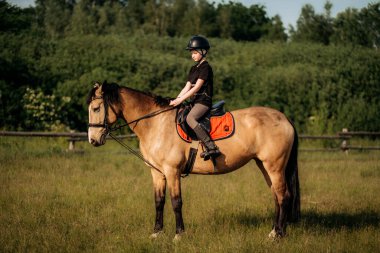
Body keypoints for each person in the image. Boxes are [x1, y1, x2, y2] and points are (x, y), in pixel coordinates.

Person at [170, 35, 221, 160]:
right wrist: (175, 100)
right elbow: (187, 87)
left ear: (203, 52)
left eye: (195, 52)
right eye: (191, 53)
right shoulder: (194, 69)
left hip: (203, 102)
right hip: (194, 101)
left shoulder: (206, 68)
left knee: (190, 118)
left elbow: (196, 88)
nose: (192, 55)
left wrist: (180, 100)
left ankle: (211, 146)